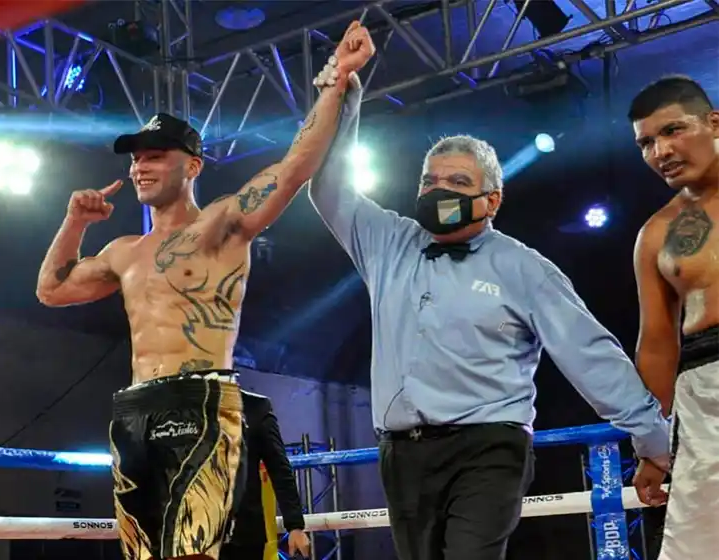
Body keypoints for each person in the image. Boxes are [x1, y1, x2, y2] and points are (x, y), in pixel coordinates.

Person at [34, 21, 375, 560]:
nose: (140, 165)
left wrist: (336, 83)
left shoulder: (222, 224)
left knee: (195, 553)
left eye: (154, 155)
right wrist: (75, 222)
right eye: (136, 157)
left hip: (202, 400)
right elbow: (51, 291)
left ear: (191, 166)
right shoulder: (123, 250)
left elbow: (294, 168)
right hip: (135, 406)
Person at [307, 76, 671, 560]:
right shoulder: (388, 243)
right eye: (430, 181)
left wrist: (651, 436)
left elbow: (588, 353)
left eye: (458, 183)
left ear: (492, 200)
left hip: (489, 445)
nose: (440, 191)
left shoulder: (523, 268)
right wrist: (345, 100)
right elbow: (327, 186)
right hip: (403, 452)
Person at [628, 75, 719, 560]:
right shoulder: (659, 232)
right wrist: (650, 445)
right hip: (706, 396)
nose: (660, 151)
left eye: (673, 131)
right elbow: (658, 343)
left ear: (714, 123)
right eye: (646, 142)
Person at [221, 390, 310, 560]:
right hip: (192, 535)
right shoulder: (180, 408)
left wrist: (295, 526)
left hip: (243, 533)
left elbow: (279, 468)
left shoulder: (254, 408)